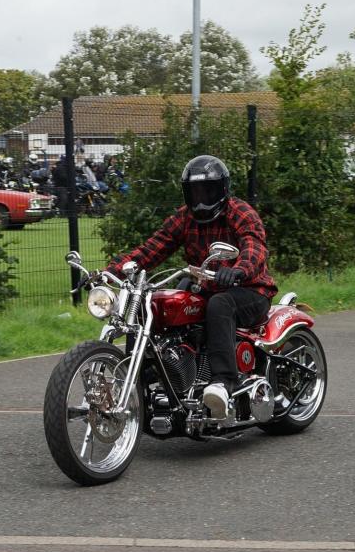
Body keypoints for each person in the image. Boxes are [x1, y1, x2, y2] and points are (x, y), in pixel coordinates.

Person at [105, 155, 277, 419]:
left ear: (221, 189)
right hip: (206, 287)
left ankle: (224, 381)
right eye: (194, 191)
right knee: (154, 303)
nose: (200, 198)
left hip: (250, 290)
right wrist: (111, 272)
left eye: (207, 190)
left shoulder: (239, 212)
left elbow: (254, 245)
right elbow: (153, 248)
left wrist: (239, 269)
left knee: (220, 304)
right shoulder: (184, 217)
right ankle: (143, 378)